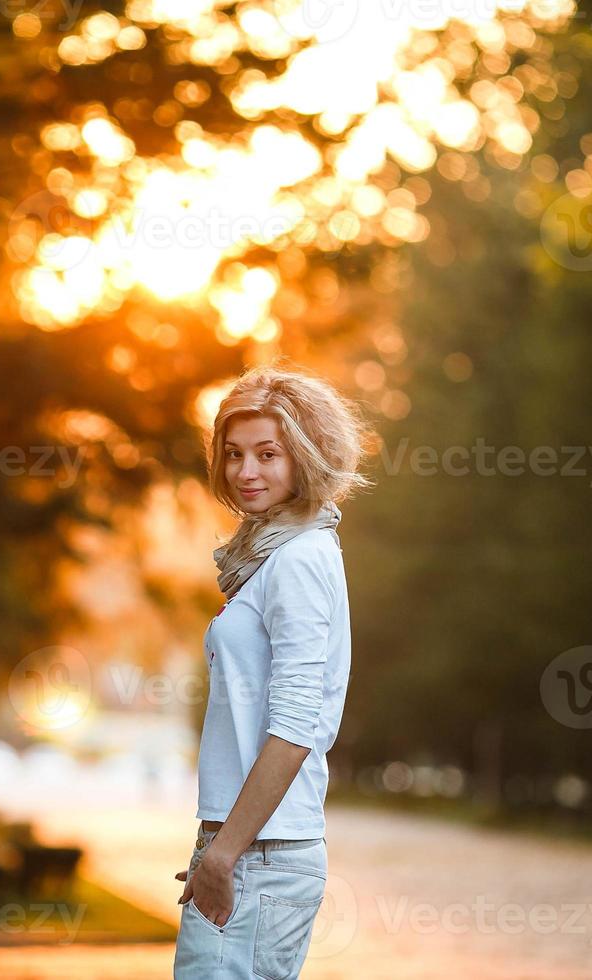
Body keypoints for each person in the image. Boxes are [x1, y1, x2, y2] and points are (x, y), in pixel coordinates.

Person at [173, 364, 368, 979]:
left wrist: (224, 855)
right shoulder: (272, 553)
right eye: (233, 454)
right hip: (246, 844)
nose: (245, 471)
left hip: (261, 850)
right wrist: (217, 847)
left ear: (308, 455)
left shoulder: (300, 559)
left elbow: (294, 726)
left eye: (267, 453)